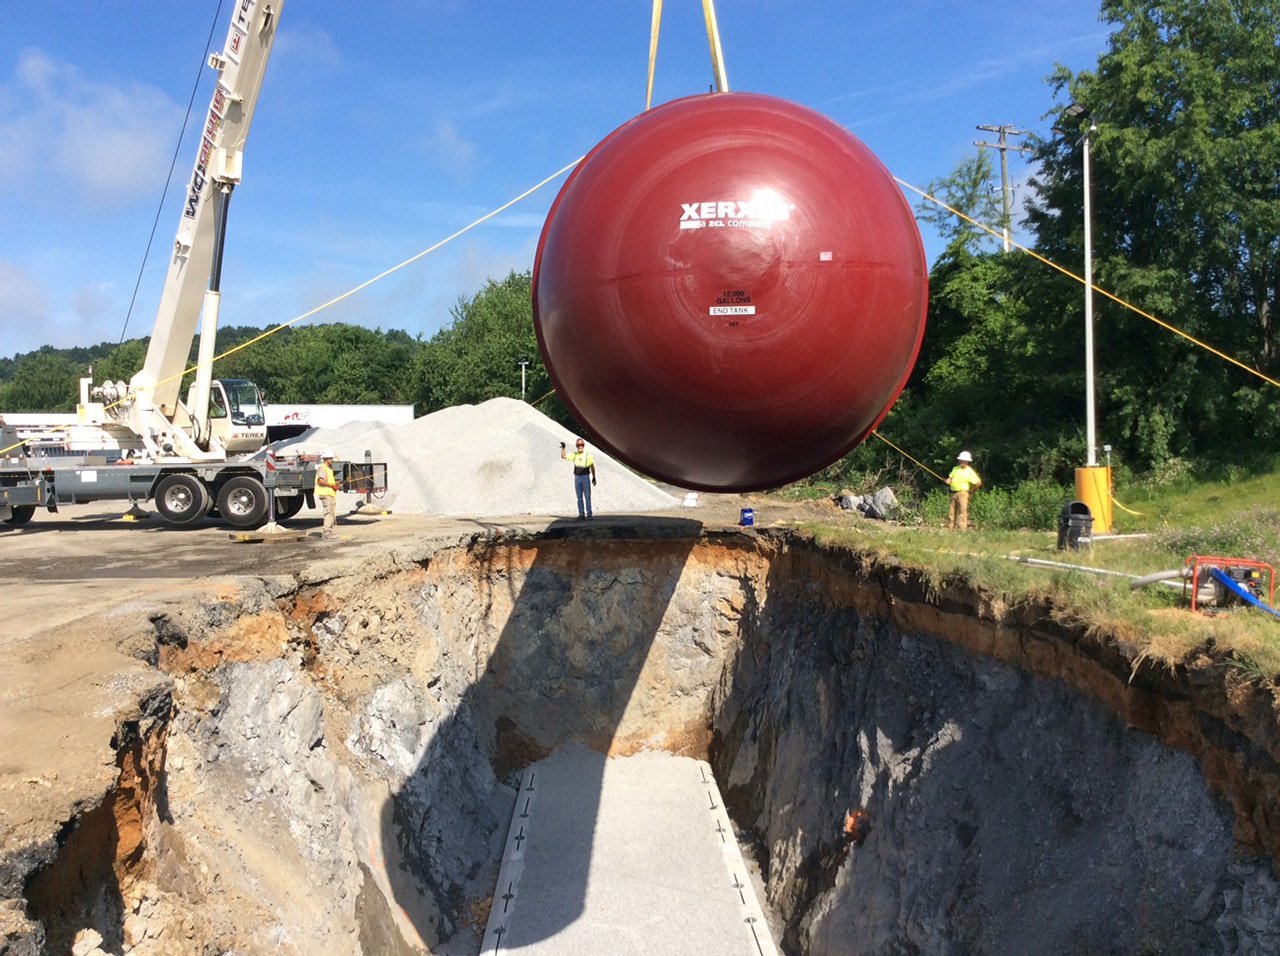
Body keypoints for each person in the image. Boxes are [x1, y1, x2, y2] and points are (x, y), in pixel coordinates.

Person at [945, 450, 982, 530]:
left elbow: (978, 483)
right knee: (951, 513)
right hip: (953, 493)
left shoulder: (969, 471)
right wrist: (948, 480)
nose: (961, 461)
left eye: (963, 460)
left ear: (967, 462)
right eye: (960, 460)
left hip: (963, 493)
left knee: (962, 512)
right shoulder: (955, 469)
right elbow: (950, 478)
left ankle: (962, 530)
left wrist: (971, 491)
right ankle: (950, 530)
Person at [560, 438, 596, 519]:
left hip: (585, 476)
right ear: (576, 446)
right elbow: (563, 456)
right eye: (578, 445)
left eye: (581, 445)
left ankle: (589, 514)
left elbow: (592, 466)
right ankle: (581, 514)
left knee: (587, 496)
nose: (580, 446)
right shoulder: (574, 454)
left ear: (584, 446)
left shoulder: (587, 455)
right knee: (579, 497)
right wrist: (563, 448)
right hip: (577, 477)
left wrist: (594, 477)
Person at [315, 450, 339, 538]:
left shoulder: (329, 469)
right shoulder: (322, 468)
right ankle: (326, 532)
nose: (332, 460)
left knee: (331, 513)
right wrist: (332, 485)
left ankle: (329, 531)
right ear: (326, 459)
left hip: (329, 494)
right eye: (331, 458)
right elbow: (320, 481)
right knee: (329, 513)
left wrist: (335, 484)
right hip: (326, 494)